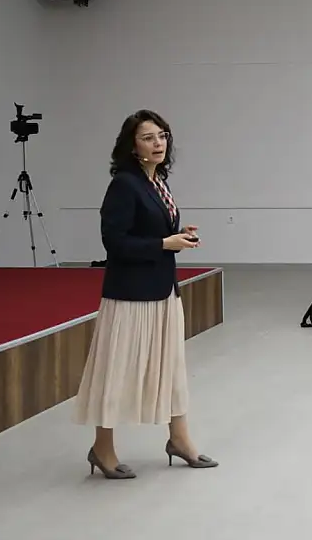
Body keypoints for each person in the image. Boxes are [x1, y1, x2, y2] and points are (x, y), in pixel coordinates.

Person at [73, 110, 217, 480]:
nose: (158, 144)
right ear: (132, 146)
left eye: (162, 136)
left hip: (163, 291)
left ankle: (179, 439)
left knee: (171, 366)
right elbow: (114, 242)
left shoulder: (157, 181)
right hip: (130, 296)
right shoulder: (124, 184)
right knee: (116, 370)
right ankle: (102, 447)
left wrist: (177, 235)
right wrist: (164, 243)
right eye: (148, 138)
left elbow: (153, 231)